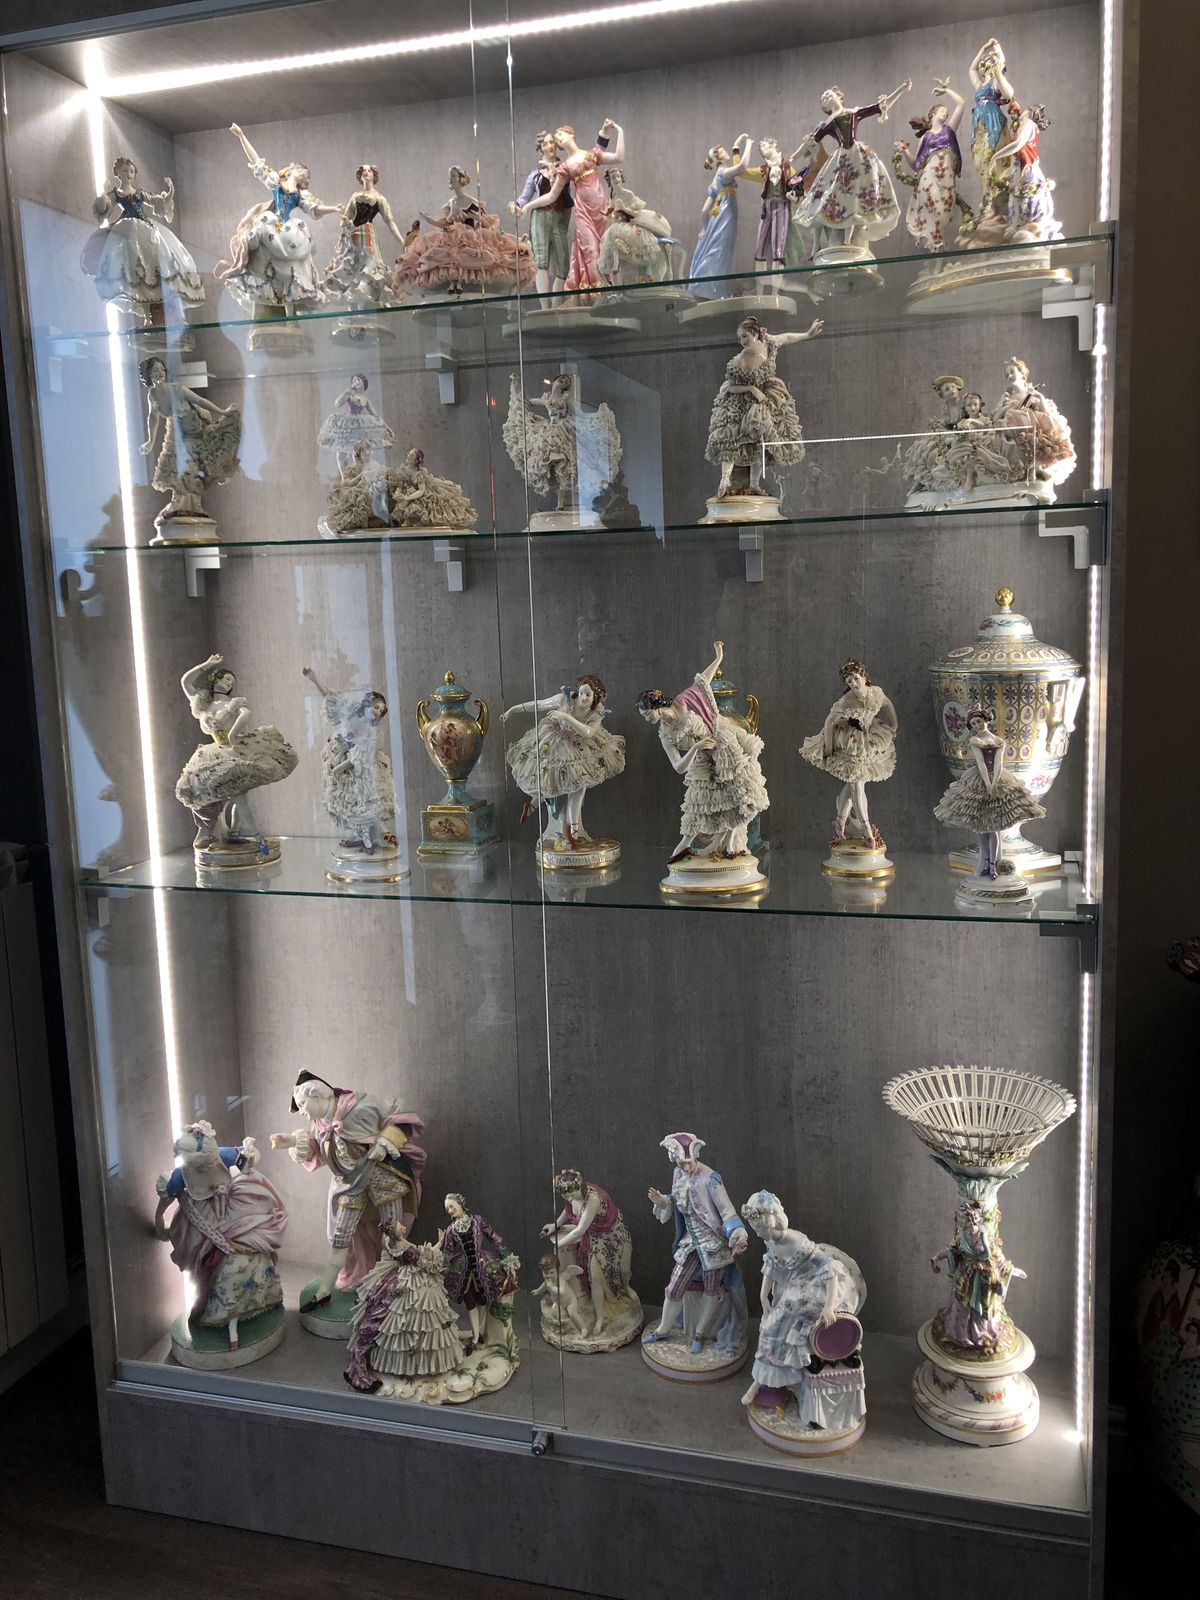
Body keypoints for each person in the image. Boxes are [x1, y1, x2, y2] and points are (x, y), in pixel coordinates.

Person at [269, 1071, 426, 1306]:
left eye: (302, 1104)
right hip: (350, 1186)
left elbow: (400, 1114)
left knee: (392, 1235)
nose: (301, 1111)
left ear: (317, 1095)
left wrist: (385, 1142)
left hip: (383, 1179)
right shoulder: (319, 1124)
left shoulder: (361, 1106)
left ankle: (390, 1283)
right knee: (340, 1237)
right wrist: (291, 1142)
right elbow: (318, 1149)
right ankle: (325, 1289)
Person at [740, 1190, 866, 1434]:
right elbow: (771, 1265)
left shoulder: (796, 1241)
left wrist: (829, 1306)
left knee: (779, 1321)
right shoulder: (771, 1240)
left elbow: (830, 1269)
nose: (757, 1234)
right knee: (771, 1321)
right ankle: (764, 1382)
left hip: (818, 1288)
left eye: (759, 1229)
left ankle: (767, 1381)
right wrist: (763, 1295)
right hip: (796, 1285)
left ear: (770, 1223)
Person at [154, 1123, 286, 1353]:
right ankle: (225, 1318)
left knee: (250, 1256)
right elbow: (165, 1201)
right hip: (202, 1222)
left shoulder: (223, 1156)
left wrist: (251, 1157)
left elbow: (248, 1157)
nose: (212, 1165)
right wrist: (159, 1222)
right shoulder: (180, 1177)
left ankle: (261, 1300)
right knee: (217, 1268)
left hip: (234, 1213)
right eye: (206, 1164)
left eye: (213, 1160)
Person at [637, 640, 768, 862]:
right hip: (701, 762)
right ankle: (681, 851)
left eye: (646, 714)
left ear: (657, 706)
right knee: (697, 809)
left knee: (740, 796)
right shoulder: (665, 734)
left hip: (724, 748)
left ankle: (729, 845)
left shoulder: (683, 702)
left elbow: (703, 681)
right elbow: (679, 767)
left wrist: (718, 657)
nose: (646, 719)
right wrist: (696, 747)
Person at [174, 653, 297, 855]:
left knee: (239, 797)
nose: (229, 683)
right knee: (218, 796)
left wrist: (233, 733)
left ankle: (255, 837)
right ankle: (226, 833)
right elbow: (185, 681)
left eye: (232, 682)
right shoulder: (203, 703)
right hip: (213, 754)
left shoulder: (233, 703)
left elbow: (246, 714)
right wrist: (207, 664)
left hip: (234, 751)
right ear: (216, 679)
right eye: (227, 679)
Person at [216, 123, 341, 314]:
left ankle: (292, 294)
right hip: (271, 223)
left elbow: (315, 209)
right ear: (291, 171)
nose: (304, 174)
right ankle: (260, 282)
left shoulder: (301, 195)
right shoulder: (276, 182)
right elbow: (257, 163)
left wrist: (333, 209)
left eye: (306, 174)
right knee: (262, 231)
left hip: (288, 227)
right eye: (301, 170)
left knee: (298, 250)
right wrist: (241, 136)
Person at [644, 1132, 748, 1357]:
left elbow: (727, 1211)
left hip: (714, 1243)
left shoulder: (711, 1178)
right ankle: (663, 1329)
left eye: (688, 1162)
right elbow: (677, 1201)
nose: (685, 1166)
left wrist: (738, 1233)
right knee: (674, 1287)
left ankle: (699, 1334)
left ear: (696, 1156)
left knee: (712, 1289)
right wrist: (663, 1202)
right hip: (690, 1242)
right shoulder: (677, 1174)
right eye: (681, 1162)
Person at [704, 314, 822, 502]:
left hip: (766, 399)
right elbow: (730, 387)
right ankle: (725, 480)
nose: (742, 341)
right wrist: (751, 389)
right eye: (740, 338)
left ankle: (754, 484)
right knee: (732, 439)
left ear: (755, 333)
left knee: (760, 442)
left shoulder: (769, 342)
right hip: (741, 403)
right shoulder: (740, 359)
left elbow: (787, 337)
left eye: (744, 336)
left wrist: (808, 334)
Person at [503, 675, 625, 852]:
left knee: (579, 783)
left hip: (580, 745)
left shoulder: (597, 710)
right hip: (557, 744)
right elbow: (539, 704)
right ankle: (560, 827)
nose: (584, 697)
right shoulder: (564, 699)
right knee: (553, 781)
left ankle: (566, 825)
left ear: (595, 697)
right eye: (582, 693)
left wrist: (566, 718)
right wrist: (513, 709)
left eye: (588, 695)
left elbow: (589, 732)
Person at [81, 155, 204, 323]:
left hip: (147, 229)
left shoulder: (139, 193)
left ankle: (164, 310)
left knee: (157, 261)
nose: (129, 174)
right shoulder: (117, 194)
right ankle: (148, 315)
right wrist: (103, 196)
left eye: (131, 171)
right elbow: (104, 207)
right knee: (138, 272)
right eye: (125, 171)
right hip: (128, 231)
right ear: (118, 173)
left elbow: (155, 201)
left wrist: (169, 193)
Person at [344, 1223, 462, 1393]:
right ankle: (369, 1368)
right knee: (412, 1315)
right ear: (394, 1232)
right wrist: (442, 1255)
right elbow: (426, 1264)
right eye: (400, 1227)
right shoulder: (405, 1249)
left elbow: (419, 1253)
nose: (403, 1228)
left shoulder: (391, 1241)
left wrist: (440, 1242)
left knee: (390, 1314)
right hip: (407, 1282)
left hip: (396, 1277)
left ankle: (363, 1363)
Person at [933, 703, 1045, 879]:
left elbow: (999, 763)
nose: (977, 725)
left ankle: (993, 865)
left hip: (999, 779)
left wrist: (994, 784)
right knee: (982, 827)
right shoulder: (975, 741)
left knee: (994, 827)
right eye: (974, 724)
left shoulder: (998, 741)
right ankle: (984, 863)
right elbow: (981, 763)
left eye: (979, 721)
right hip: (979, 780)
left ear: (986, 720)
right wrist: (987, 784)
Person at [517, 119, 625, 292]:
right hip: (583, 213)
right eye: (557, 139)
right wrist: (529, 206)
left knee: (607, 249)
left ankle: (610, 290)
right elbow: (552, 196)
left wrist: (619, 131)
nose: (559, 140)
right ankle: (597, 293)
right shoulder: (565, 167)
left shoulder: (591, 154)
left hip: (602, 209)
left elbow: (618, 157)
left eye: (560, 135)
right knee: (591, 250)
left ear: (571, 134)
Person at [799, 658, 898, 846]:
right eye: (849, 681)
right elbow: (830, 722)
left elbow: (887, 704)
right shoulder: (846, 700)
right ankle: (867, 830)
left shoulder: (876, 692)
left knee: (854, 782)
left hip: (870, 737)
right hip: (850, 740)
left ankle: (840, 821)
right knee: (857, 783)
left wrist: (894, 725)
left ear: (864, 676)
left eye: (855, 678)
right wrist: (829, 746)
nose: (853, 683)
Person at [139, 357, 241, 526]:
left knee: (191, 468)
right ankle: (180, 504)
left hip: (194, 430)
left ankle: (195, 505)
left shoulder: (177, 389)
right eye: (156, 370)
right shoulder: (152, 395)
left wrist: (222, 412)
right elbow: (153, 418)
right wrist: (150, 441)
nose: (161, 373)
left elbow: (200, 401)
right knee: (173, 465)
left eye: (162, 369)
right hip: (176, 432)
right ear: (149, 374)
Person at [541, 1169, 637, 1337]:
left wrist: (559, 1244)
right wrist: (556, 1225)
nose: (569, 1198)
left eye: (571, 1194)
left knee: (624, 1269)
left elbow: (579, 1231)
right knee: (596, 1278)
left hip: (615, 1234)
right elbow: (569, 1208)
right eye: (565, 1195)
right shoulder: (571, 1196)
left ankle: (626, 1287)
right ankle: (600, 1318)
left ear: (579, 1187)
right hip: (595, 1238)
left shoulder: (592, 1199)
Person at [894, 80, 967, 252]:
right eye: (942, 111)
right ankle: (936, 249)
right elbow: (916, 165)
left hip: (947, 180)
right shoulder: (925, 137)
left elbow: (961, 104)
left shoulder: (949, 130)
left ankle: (936, 249)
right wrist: (905, 151)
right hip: (929, 178)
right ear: (933, 114)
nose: (946, 114)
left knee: (944, 212)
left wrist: (946, 90)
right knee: (933, 208)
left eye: (947, 113)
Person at [441, 1193, 519, 1350]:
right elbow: (448, 1252)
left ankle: (480, 1332)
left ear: (460, 1204)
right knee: (470, 1303)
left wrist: (506, 1256)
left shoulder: (478, 1220)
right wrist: (439, 1266)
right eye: (447, 1208)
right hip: (462, 1271)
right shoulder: (451, 1230)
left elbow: (494, 1238)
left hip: (483, 1267)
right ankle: (475, 1338)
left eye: (451, 1206)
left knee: (482, 1300)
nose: (449, 1210)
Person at [323, 162, 406, 308]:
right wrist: (344, 221)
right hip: (352, 233)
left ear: (374, 176)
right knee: (351, 266)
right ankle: (352, 303)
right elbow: (347, 215)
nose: (366, 172)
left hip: (367, 233)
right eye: (364, 171)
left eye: (369, 171)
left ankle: (365, 301)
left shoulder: (379, 198)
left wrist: (402, 241)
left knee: (368, 266)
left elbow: (390, 221)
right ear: (360, 176)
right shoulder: (355, 195)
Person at [510, 130, 574, 297]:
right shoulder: (535, 175)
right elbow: (524, 197)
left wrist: (566, 220)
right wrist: (516, 205)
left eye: (551, 142)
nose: (549, 146)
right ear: (540, 148)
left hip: (558, 217)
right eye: (545, 143)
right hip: (540, 217)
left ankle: (556, 304)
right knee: (541, 261)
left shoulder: (564, 170)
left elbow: (567, 200)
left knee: (563, 265)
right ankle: (545, 306)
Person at [688, 135, 754, 293]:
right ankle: (711, 289)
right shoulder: (724, 173)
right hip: (726, 215)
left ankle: (710, 288)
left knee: (716, 247)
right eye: (723, 152)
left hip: (718, 216)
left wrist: (705, 228)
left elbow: (704, 210)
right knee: (721, 249)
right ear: (718, 159)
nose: (726, 152)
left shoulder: (716, 178)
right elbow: (743, 166)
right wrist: (748, 145)